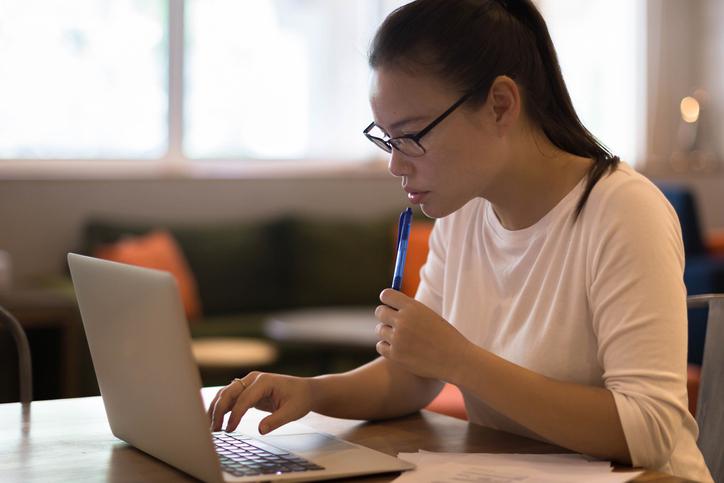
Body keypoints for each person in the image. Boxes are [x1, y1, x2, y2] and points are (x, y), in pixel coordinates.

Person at [208, 1, 712, 481]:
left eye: (409, 135)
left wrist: (460, 360)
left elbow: (648, 431)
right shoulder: (465, 209)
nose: (394, 163)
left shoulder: (624, 211)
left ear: (499, 105)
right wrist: (311, 392)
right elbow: (410, 377)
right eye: (385, 138)